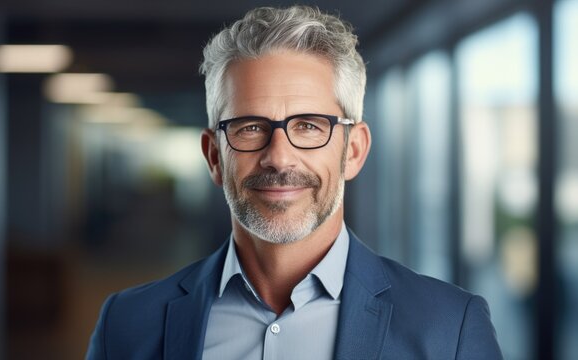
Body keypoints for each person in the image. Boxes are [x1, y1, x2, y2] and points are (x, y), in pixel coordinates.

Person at [86, 5, 502, 359]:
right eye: (250, 127)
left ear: (353, 150)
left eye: (307, 126)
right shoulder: (125, 326)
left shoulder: (451, 331)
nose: (279, 157)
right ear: (214, 156)